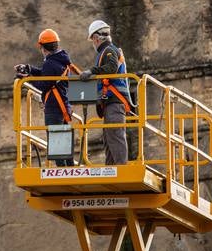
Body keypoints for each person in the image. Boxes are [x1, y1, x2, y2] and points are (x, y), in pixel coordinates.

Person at [14, 28, 76, 166]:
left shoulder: (50, 63)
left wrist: (27, 79)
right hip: (63, 106)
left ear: (42, 47)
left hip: (54, 107)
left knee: (57, 145)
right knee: (64, 143)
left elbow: (43, 84)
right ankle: (70, 170)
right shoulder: (61, 60)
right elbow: (45, 74)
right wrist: (29, 69)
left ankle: (62, 174)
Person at [80, 20, 131, 165]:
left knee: (115, 135)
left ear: (96, 38)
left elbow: (111, 68)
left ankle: (121, 168)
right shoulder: (106, 51)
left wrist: (91, 71)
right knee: (109, 138)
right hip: (110, 102)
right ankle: (111, 168)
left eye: (93, 40)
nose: (93, 43)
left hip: (114, 101)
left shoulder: (109, 50)